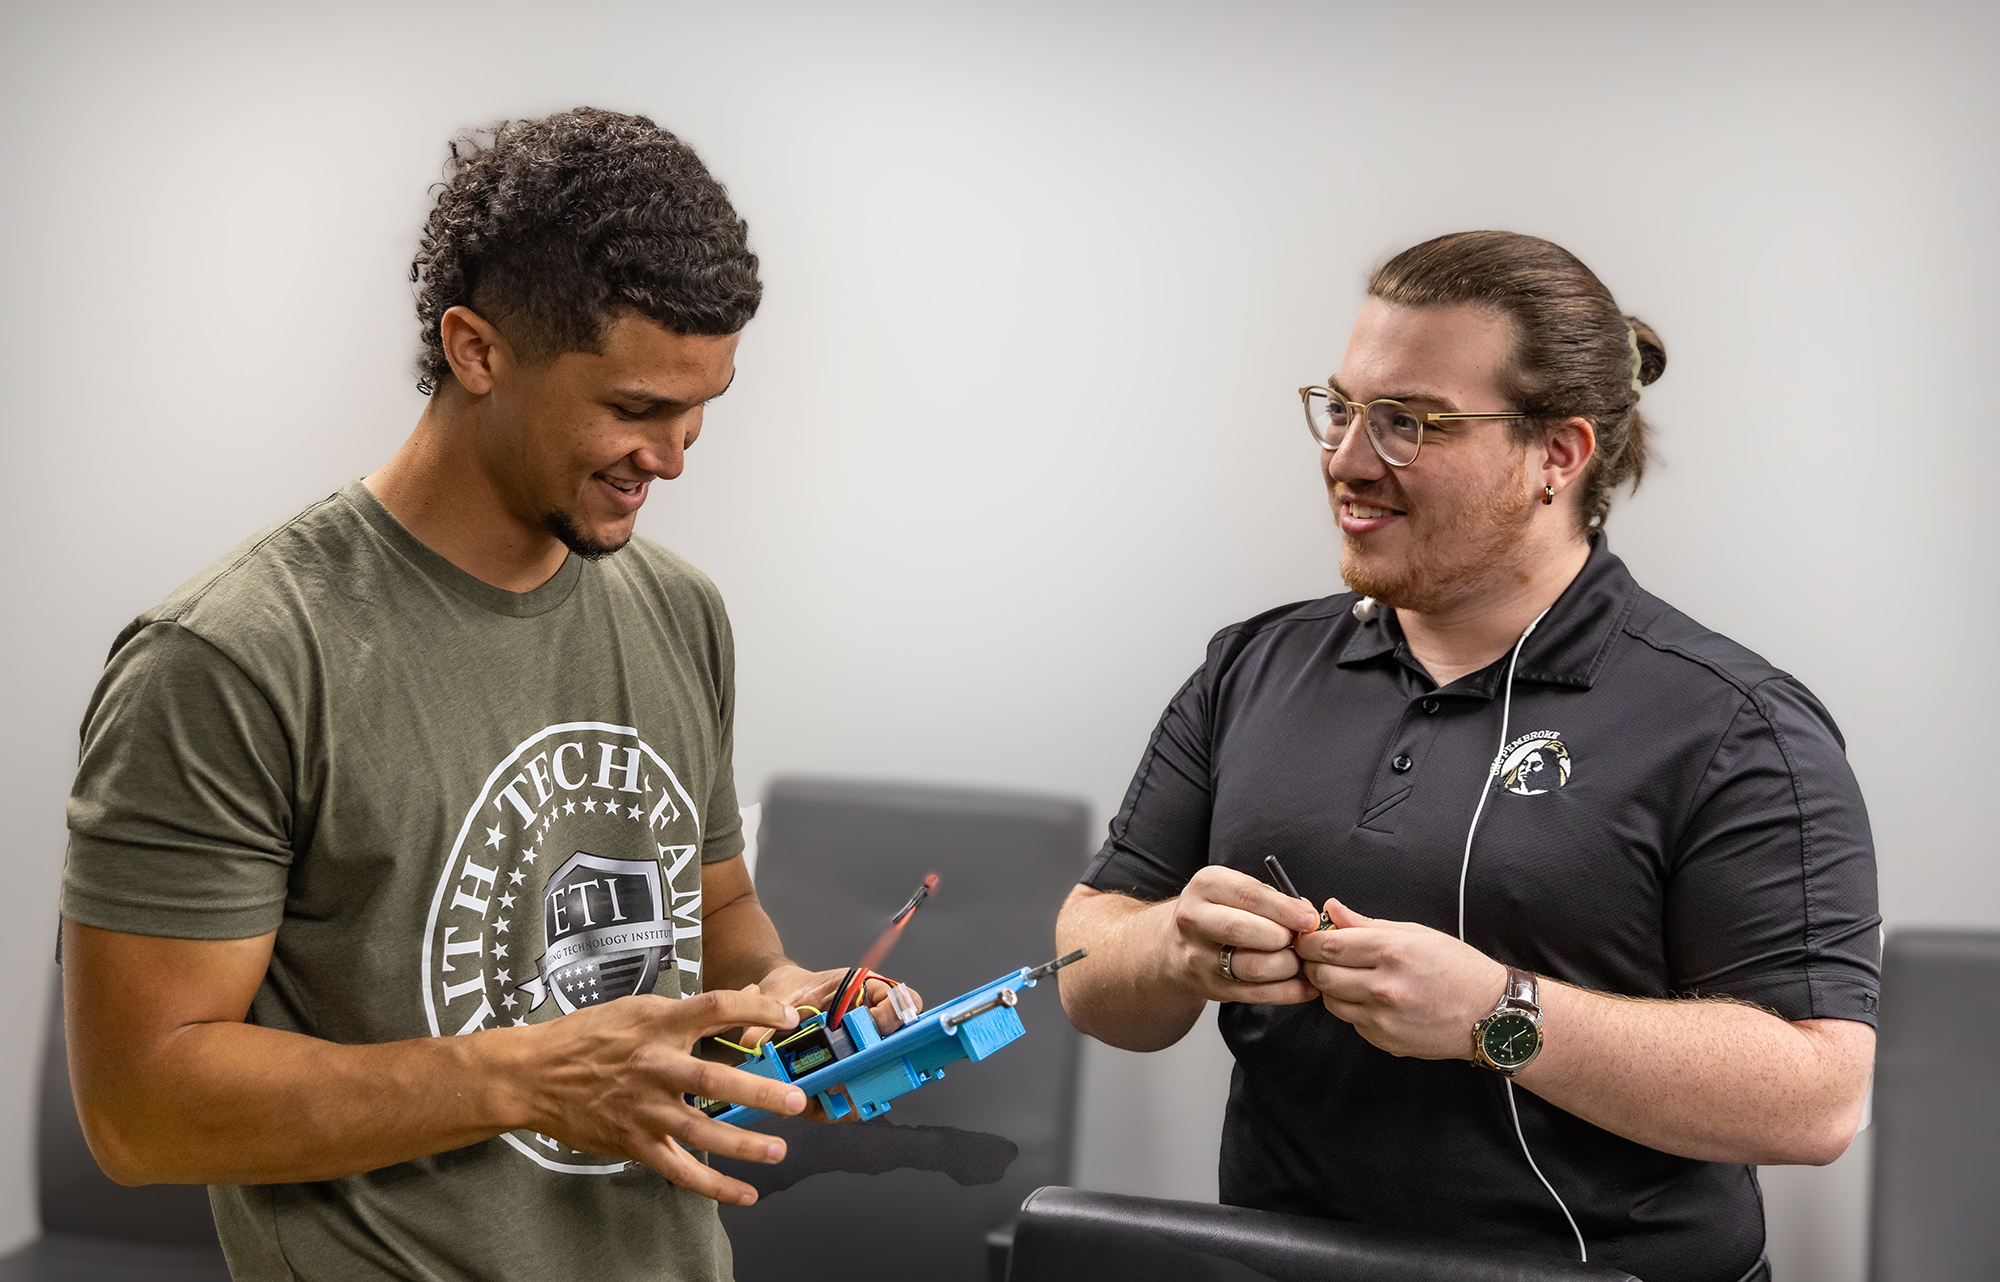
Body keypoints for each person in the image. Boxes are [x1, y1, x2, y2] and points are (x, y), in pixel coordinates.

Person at [59, 107, 911, 1282]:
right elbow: (140, 1110)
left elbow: (714, 913)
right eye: (633, 408)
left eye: (701, 403)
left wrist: (782, 996)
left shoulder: (678, 610)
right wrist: (529, 1074)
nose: (672, 456)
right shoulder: (232, 656)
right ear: (475, 349)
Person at [1054, 231, 1879, 1282]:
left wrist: (1500, 1016)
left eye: (1409, 423)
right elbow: (1087, 961)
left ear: (1557, 455)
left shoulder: (1731, 725)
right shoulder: (1251, 667)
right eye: (1340, 407)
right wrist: (1171, 947)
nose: (1348, 459)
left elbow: (1816, 1096)